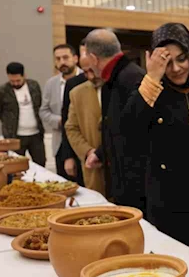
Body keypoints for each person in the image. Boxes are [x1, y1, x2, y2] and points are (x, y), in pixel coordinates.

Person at [121, 23, 189, 268]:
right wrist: (152, 77)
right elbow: (128, 131)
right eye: (167, 63)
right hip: (170, 210)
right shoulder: (151, 92)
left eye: (182, 59)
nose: (176, 68)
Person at [82, 29, 146, 210]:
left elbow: (135, 129)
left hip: (135, 181)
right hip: (124, 175)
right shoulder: (116, 77)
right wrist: (101, 152)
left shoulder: (130, 77)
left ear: (94, 58)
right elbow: (116, 125)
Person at [65, 52, 105, 196]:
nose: (90, 76)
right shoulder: (77, 93)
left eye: (92, 70)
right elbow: (71, 128)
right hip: (93, 166)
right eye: (85, 71)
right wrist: (88, 152)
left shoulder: (119, 87)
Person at [40, 44, 82, 179]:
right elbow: (43, 110)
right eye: (58, 59)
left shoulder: (87, 78)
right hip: (60, 143)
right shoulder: (50, 84)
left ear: (75, 58)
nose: (61, 62)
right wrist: (59, 121)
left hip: (82, 142)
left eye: (65, 57)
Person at [0, 62, 46, 166]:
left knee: (40, 163)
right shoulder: (1, 91)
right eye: (12, 81)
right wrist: (9, 121)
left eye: (18, 80)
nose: (15, 83)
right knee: (15, 165)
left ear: (24, 75)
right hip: (14, 136)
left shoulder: (34, 86)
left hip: (36, 134)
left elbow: (39, 104)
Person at [61, 41, 91, 186]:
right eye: (84, 53)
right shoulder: (73, 84)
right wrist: (68, 156)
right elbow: (68, 122)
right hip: (80, 150)